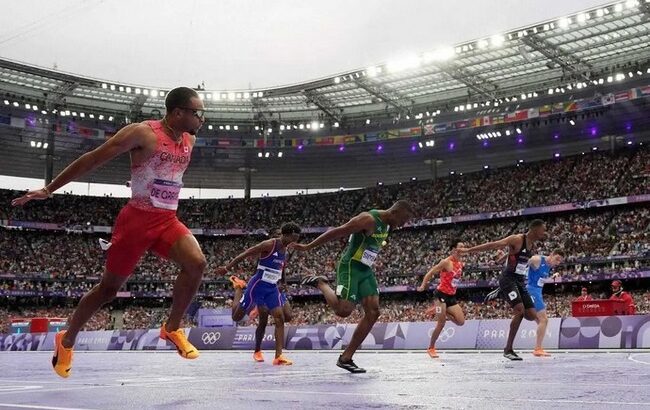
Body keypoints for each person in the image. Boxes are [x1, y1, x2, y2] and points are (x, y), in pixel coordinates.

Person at [11, 87, 207, 378]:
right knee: (108, 290)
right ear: (178, 112)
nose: (202, 119)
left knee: (197, 263)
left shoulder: (189, 139)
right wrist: (49, 189)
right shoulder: (143, 134)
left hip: (167, 220)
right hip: (136, 222)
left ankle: (172, 327)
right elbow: (92, 158)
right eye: (197, 113)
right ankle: (66, 341)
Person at [295, 200, 415, 373]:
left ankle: (346, 358)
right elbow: (337, 232)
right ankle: (321, 283)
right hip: (350, 266)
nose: (403, 225)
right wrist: (308, 247)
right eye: (403, 220)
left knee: (373, 312)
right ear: (394, 213)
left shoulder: (390, 224)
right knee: (343, 311)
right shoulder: (368, 219)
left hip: (365, 270)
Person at [460, 219, 548, 360]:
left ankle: (501, 292)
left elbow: (517, 255)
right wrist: (469, 250)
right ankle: (508, 349)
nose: (545, 232)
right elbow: (494, 245)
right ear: (535, 229)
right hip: (508, 279)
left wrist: (505, 257)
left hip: (520, 281)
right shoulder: (518, 239)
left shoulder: (532, 244)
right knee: (519, 311)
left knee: (531, 315)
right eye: (543, 229)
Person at [217, 222, 301, 365]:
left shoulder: (286, 249)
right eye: (295, 237)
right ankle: (238, 287)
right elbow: (246, 253)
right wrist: (227, 267)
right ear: (287, 234)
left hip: (272, 288)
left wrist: (283, 283)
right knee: (236, 317)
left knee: (279, 318)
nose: (296, 241)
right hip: (257, 286)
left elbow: (282, 267)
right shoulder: (269, 244)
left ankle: (278, 356)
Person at [417, 238, 466, 358]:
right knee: (441, 323)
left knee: (460, 322)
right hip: (441, 295)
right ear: (454, 250)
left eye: (464, 247)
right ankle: (431, 348)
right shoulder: (446, 262)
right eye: (460, 247)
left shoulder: (460, 263)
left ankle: (439, 311)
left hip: (452, 296)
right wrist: (423, 285)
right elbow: (430, 272)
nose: (463, 249)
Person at [525, 250, 565, 357]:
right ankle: (537, 349)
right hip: (532, 291)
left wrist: (552, 277)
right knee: (544, 320)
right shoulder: (538, 259)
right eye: (556, 259)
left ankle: (538, 348)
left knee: (541, 321)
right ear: (551, 254)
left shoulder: (548, 266)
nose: (557, 263)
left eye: (559, 262)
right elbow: (525, 262)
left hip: (537, 291)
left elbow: (542, 280)